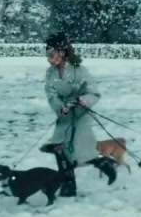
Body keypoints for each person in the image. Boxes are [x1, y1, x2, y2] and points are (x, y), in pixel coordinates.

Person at [41, 33, 119, 196]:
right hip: (64, 115)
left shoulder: (80, 70)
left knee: (82, 150)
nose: (49, 59)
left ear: (62, 53)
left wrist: (81, 101)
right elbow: (51, 94)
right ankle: (68, 186)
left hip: (80, 115)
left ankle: (105, 164)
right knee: (60, 149)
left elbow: (94, 92)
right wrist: (60, 107)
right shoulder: (50, 73)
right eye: (48, 55)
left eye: (52, 55)